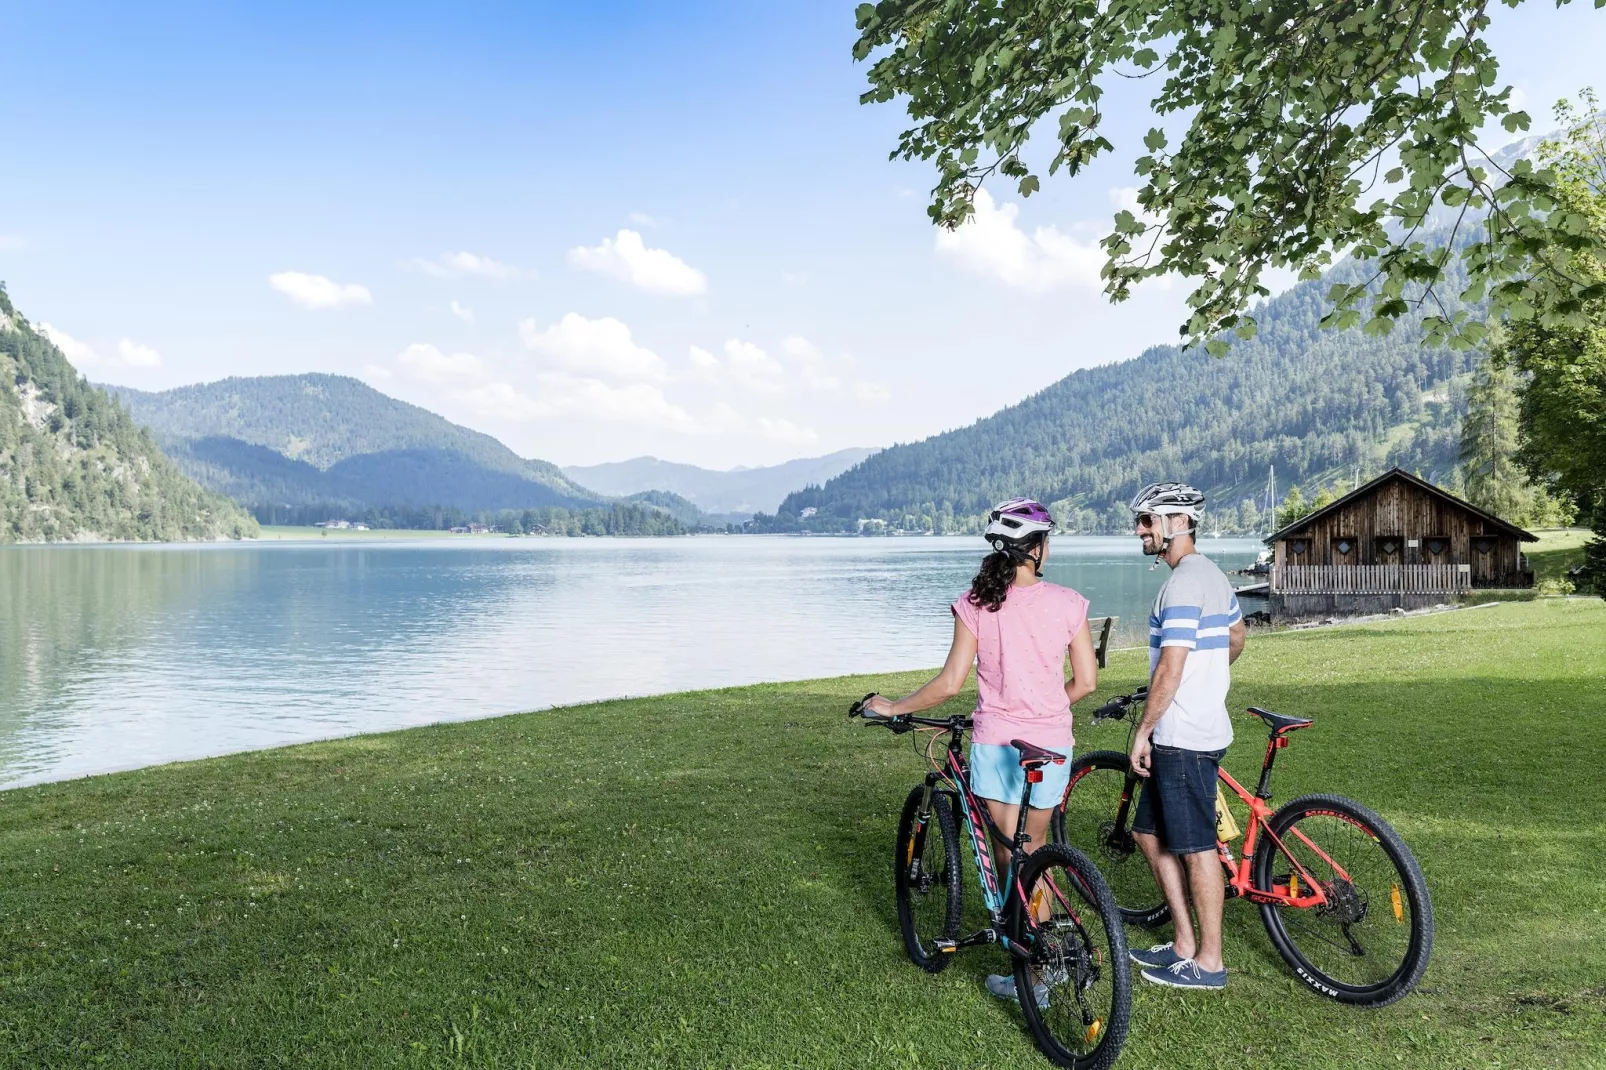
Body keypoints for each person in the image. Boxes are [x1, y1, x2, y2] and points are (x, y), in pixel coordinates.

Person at [864, 497, 1098, 1006]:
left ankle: (1033, 971)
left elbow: (951, 683)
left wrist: (893, 706)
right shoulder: (1070, 603)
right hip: (1052, 743)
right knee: (1033, 851)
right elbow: (1087, 681)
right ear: (1035, 549)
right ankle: (1043, 956)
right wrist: (1046, 704)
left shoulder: (976, 602)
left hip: (997, 743)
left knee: (1008, 854)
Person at [1125, 482, 1246, 991]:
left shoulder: (1180, 585)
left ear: (1176, 522)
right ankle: (1182, 943)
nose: (1140, 531)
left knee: (1197, 848)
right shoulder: (1210, 576)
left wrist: (1144, 728)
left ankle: (1210, 963)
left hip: (1183, 738)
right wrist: (1209, 674)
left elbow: (1171, 666)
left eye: (1147, 521)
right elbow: (1236, 637)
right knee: (1148, 834)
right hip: (1194, 729)